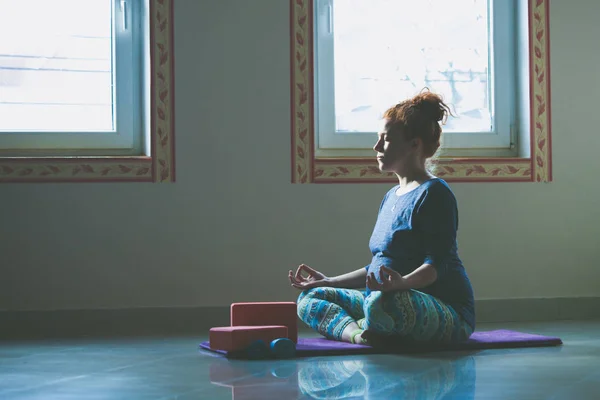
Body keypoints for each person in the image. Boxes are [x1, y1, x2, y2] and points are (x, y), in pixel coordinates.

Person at [289, 91, 475, 345]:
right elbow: (376, 266)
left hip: (443, 309)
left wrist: (402, 284)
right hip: (383, 296)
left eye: (385, 140)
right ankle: (359, 336)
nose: (376, 147)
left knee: (381, 303)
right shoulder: (391, 196)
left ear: (414, 144)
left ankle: (368, 324)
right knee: (311, 297)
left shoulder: (435, 193)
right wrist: (329, 280)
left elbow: (436, 266)